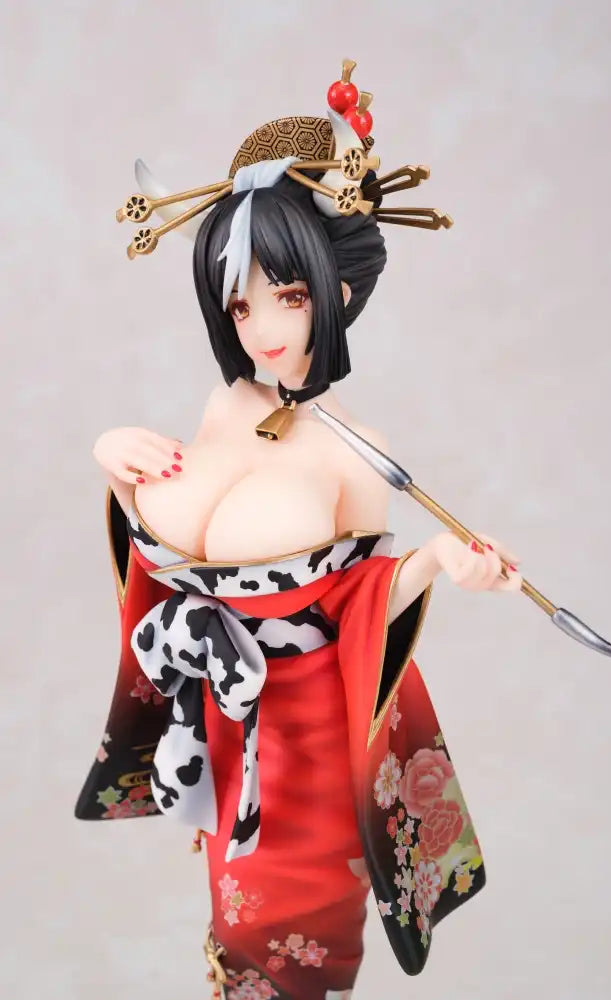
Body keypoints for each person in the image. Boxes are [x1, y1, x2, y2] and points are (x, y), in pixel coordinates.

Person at [76, 62, 523, 1000]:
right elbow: (170, 538)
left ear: (338, 290)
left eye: (286, 293)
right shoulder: (225, 405)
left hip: (312, 742)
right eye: (240, 303)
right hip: (223, 723)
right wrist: (113, 458)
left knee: (293, 949)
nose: (260, 328)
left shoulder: (359, 450)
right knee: (231, 927)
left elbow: (358, 595)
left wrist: (437, 559)